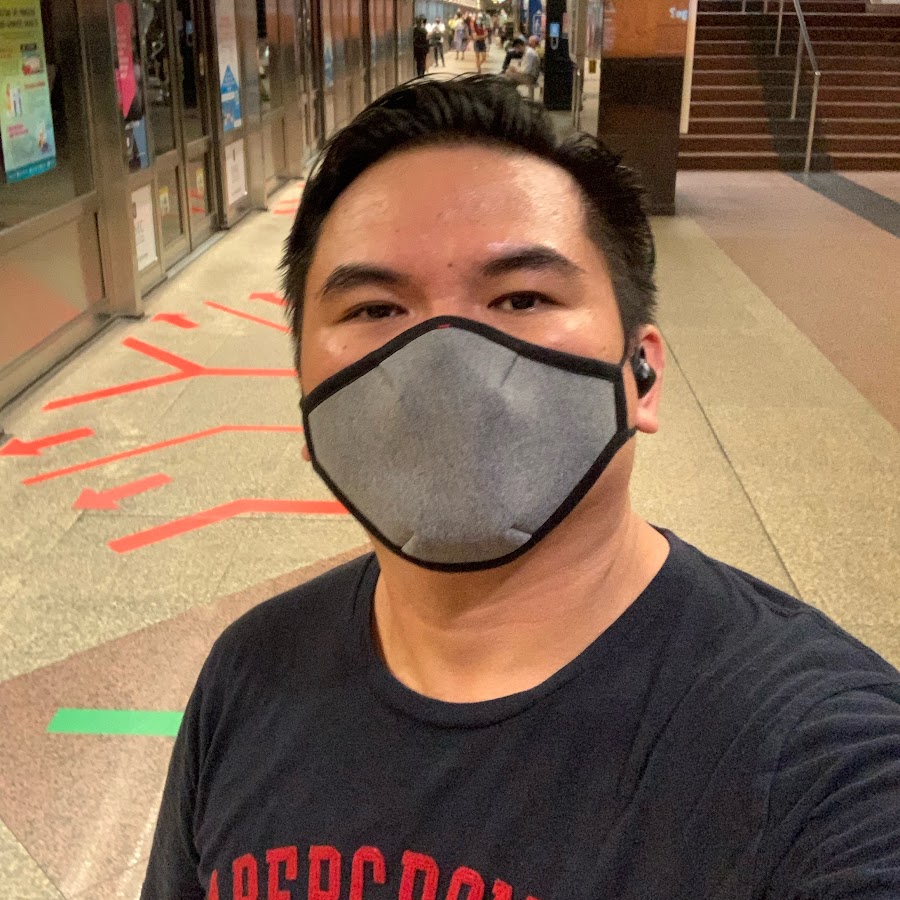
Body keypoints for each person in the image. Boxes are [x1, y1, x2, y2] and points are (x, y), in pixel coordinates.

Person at [141, 76, 900, 900]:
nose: (445, 364)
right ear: (307, 394)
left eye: (521, 297)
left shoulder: (818, 764)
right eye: (374, 309)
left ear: (642, 376)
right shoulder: (248, 675)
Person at [505, 35, 541, 99]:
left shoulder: (529, 53)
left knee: (508, 73)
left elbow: (526, 70)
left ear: (519, 46)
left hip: (531, 77)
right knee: (511, 77)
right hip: (530, 74)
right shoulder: (528, 50)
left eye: (516, 48)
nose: (516, 51)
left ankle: (512, 95)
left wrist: (515, 69)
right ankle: (514, 94)